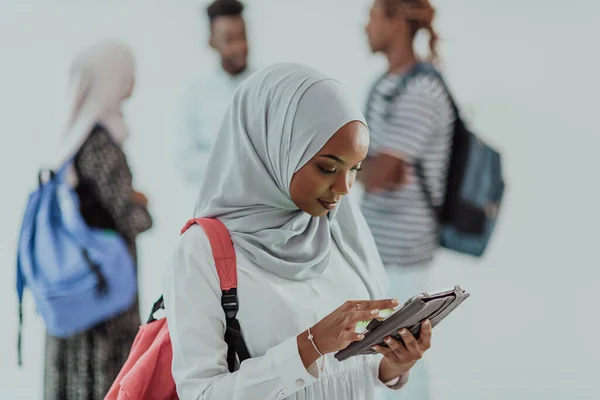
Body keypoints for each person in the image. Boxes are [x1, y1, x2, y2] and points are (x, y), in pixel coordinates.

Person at [163, 63, 434, 400]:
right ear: (274, 147)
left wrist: (394, 366)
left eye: (355, 169)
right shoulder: (201, 252)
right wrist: (311, 345)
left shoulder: (341, 235)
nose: (345, 187)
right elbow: (201, 394)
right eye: (328, 167)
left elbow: (351, 368)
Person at [44, 42, 153, 400]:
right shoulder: (103, 145)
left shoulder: (70, 141)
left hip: (79, 294)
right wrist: (142, 203)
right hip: (106, 301)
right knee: (105, 380)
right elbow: (130, 217)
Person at [360, 1, 455, 398]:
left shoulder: (421, 89)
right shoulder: (387, 84)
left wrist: (339, 165)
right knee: (376, 357)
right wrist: (368, 165)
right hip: (377, 249)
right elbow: (378, 166)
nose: (365, 26)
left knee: (403, 354)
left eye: (373, 17)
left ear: (396, 22)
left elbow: (382, 173)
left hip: (403, 254)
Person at [174, 0, 253, 214]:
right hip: (215, 213)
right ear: (211, 42)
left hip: (264, 214)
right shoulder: (196, 95)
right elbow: (186, 164)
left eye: (243, 36)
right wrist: (233, 160)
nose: (240, 46)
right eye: (229, 39)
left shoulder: (269, 86)